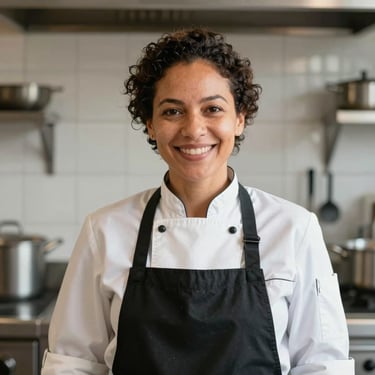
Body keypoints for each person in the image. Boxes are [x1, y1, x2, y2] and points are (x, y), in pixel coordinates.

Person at [41, 28, 354, 374]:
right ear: (150, 124)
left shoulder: (293, 229)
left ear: (239, 119)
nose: (193, 129)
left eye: (213, 109)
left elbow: (323, 366)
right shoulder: (105, 230)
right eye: (173, 111)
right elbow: (72, 365)